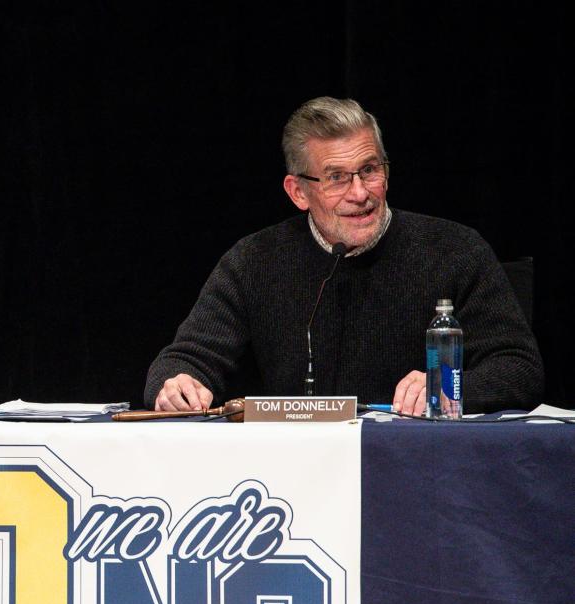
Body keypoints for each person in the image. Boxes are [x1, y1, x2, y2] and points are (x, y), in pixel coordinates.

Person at [145, 97, 542, 415]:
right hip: (294, 475)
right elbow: (182, 361)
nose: (360, 193)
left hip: (419, 467)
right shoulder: (254, 261)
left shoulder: (455, 251)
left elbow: (519, 369)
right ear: (298, 192)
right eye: (336, 178)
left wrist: (450, 388)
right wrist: (178, 384)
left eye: (369, 170)